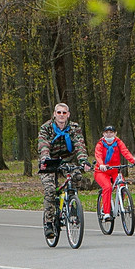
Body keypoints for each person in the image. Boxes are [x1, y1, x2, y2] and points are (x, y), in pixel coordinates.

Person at [38, 102, 92, 238]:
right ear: (54, 114)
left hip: (68, 160)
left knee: (77, 177)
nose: (61, 115)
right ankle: (49, 222)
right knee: (50, 190)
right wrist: (45, 158)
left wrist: (83, 160)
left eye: (64, 113)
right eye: (59, 112)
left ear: (68, 115)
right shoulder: (46, 128)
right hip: (50, 161)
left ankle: (72, 204)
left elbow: (79, 144)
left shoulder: (74, 128)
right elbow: (43, 145)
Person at [94, 125, 135, 221]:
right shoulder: (100, 144)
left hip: (115, 170)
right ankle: (107, 212)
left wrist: (134, 161)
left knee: (122, 185)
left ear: (115, 133)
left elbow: (125, 152)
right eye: (107, 132)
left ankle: (120, 204)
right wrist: (101, 164)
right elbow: (98, 155)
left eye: (111, 132)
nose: (109, 135)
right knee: (107, 187)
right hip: (102, 171)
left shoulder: (118, 142)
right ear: (103, 134)